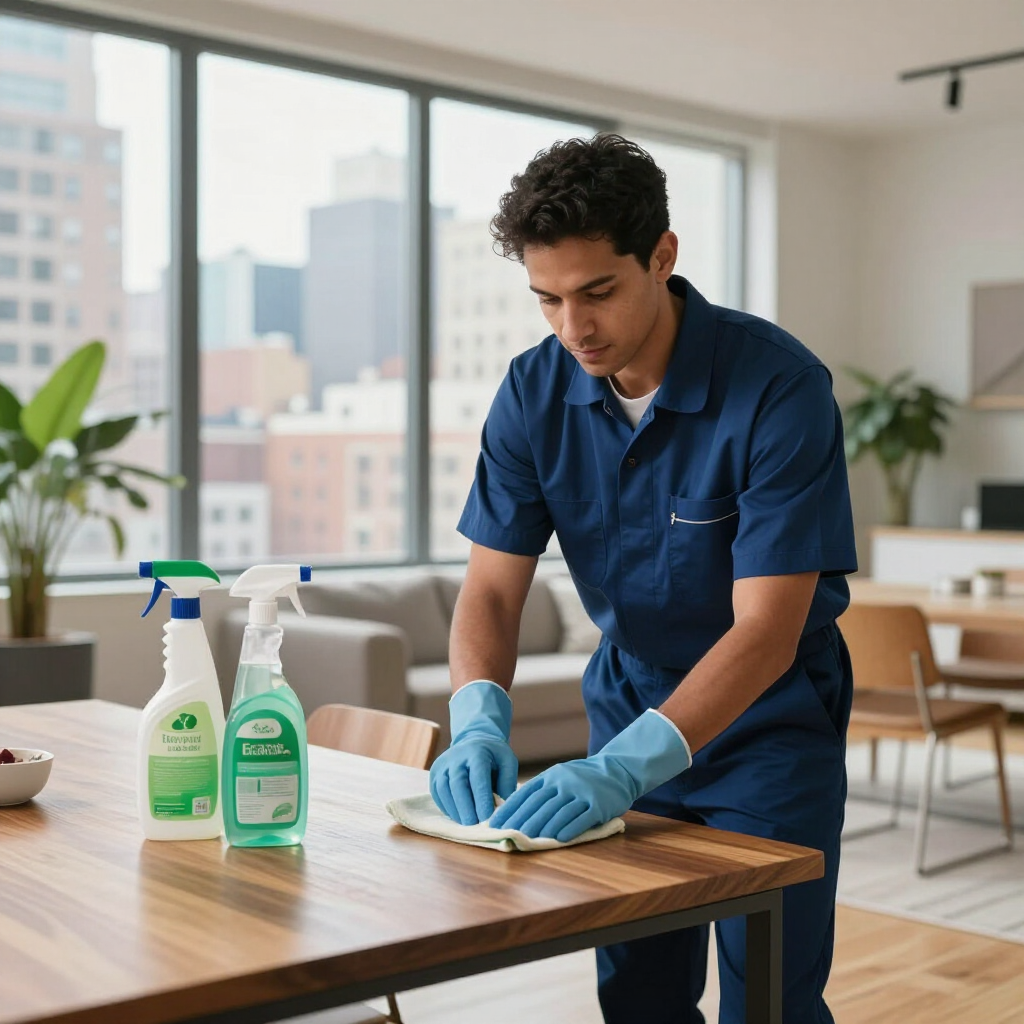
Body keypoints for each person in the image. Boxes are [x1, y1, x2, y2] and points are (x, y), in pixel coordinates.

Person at [428, 133, 857, 1024]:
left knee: (766, 1000)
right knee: (639, 997)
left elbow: (765, 633)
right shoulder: (532, 392)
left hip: (770, 723)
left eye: (597, 292)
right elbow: (494, 591)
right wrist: (475, 715)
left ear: (661, 257)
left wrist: (623, 771)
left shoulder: (779, 388)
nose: (572, 328)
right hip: (627, 699)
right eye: (546, 299)